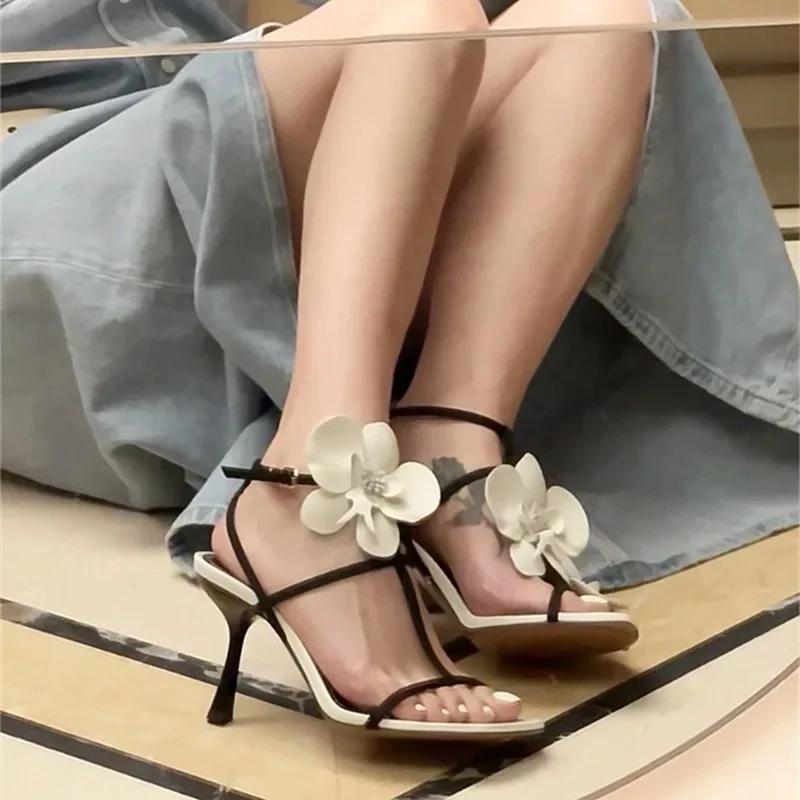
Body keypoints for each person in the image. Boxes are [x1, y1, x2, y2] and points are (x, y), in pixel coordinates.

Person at [2, 0, 797, 736]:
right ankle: (306, 487)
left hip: (189, 106)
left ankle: (446, 440)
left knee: (603, 17)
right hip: (38, 166)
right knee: (416, 16)